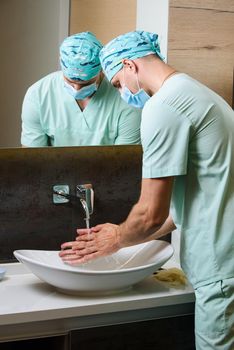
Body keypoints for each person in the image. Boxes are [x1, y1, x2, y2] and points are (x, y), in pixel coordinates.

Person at [59, 31, 234, 349]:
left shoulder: (163, 106)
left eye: (116, 84)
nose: (121, 92)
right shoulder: (196, 93)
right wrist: (126, 237)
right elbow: (186, 202)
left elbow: (151, 214)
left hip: (221, 265)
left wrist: (117, 237)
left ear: (129, 65)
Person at [21, 31, 141, 147]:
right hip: (51, 168)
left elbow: (124, 160)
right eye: (70, 82)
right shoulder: (38, 95)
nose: (77, 89)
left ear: (101, 70)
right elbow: (32, 158)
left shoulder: (125, 100)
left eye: (85, 84)